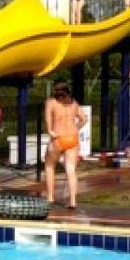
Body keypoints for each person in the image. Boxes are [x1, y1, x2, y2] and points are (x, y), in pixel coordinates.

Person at [44, 80, 87, 209]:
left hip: (59, 137)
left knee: (49, 165)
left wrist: (50, 131)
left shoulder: (51, 102)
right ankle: (73, 200)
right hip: (72, 138)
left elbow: (47, 120)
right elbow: (84, 118)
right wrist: (76, 127)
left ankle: (50, 197)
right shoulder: (73, 103)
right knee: (71, 170)